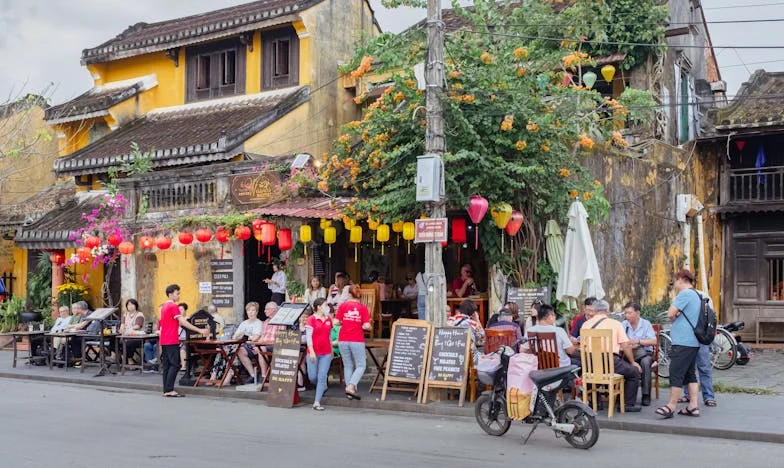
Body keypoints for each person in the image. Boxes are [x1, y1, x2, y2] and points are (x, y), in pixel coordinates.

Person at [655, 269, 703, 418]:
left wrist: (674, 314)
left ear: (681, 279)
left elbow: (670, 313)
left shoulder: (684, 294)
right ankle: (693, 406)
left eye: (675, 281)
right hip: (693, 341)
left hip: (683, 341)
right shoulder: (696, 294)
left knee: (675, 373)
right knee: (690, 374)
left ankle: (671, 406)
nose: (674, 284)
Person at [581, 299, 642, 412]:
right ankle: (627, 404)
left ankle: (596, 402)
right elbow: (626, 346)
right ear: (607, 311)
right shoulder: (615, 324)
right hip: (610, 362)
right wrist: (633, 362)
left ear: (594, 311)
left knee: (594, 373)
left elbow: (582, 347)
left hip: (590, 363)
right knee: (633, 372)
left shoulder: (585, 324)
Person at [159, 284, 209, 397]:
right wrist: (199, 330)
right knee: (175, 365)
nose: (179, 295)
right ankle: (170, 389)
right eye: (177, 293)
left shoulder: (164, 307)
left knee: (167, 365)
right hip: (171, 339)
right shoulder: (173, 306)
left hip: (164, 338)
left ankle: (166, 389)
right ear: (171, 294)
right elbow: (182, 322)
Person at [681, 289, 718, 409]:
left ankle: (708, 396)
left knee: (703, 367)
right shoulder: (682, 297)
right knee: (688, 368)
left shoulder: (704, 297)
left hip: (699, 337)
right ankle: (690, 395)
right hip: (689, 338)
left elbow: (711, 316)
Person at [335, 285, 371, 400]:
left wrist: (343, 322)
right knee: (361, 364)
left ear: (349, 294)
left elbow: (335, 322)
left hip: (343, 339)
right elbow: (367, 325)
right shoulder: (363, 308)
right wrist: (366, 326)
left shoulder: (342, 306)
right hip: (356, 339)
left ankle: (349, 391)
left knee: (348, 365)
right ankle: (351, 386)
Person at [621, 302, 657, 406]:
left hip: (645, 353)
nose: (627, 316)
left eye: (629, 313)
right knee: (621, 363)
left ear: (637, 313)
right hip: (628, 353)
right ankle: (622, 395)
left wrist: (639, 341)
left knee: (645, 362)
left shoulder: (645, 324)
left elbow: (654, 341)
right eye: (626, 313)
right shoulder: (624, 325)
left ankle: (645, 395)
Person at [305, 298, 333, 411]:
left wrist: (331, 350)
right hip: (313, 351)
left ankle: (317, 402)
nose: (327, 307)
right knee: (312, 376)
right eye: (325, 305)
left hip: (326, 352)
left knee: (322, 376)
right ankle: (322, 386)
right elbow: (308, 337)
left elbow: (329, 336)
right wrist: (311, 351)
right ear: (319, 307)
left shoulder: (328, 319)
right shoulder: (311, 319)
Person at [250, 302, 285, 379]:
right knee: (256, 348)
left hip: (276, 346)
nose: (264, 311)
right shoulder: (266, 321)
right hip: (265, 345)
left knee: (261, 349)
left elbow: (281, 338)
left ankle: (263, 375)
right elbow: (262, 336)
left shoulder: (281, 321)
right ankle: (257, 375)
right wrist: (256, 345)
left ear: (273, 310)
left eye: (266, 309)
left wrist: (261, 345)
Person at [234, 302, 264, 384]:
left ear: (257, 312)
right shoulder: (244, 323)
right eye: (248, 310)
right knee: (229, 351)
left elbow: (255, 338)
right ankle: (252, 374)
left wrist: (244, 337)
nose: (250, 312)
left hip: (254, 347)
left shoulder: (259, 323)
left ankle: (252, 375)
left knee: (239, 351)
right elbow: (235, 336)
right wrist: (247, 337)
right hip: (244, 345)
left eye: (253, 310)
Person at [110, 298, 146, 364]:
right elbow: (122, 325)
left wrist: (128, 330)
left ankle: (129, 359)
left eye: (132, 304)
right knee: (113, 338)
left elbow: (137, 326)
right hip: (126, 335)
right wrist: (121, 329)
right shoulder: (125, 314)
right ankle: (114, 356)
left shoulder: (139, 315)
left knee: (128, 342)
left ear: (136, 306)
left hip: (137, 337)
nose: (130, 306)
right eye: (128, 305)